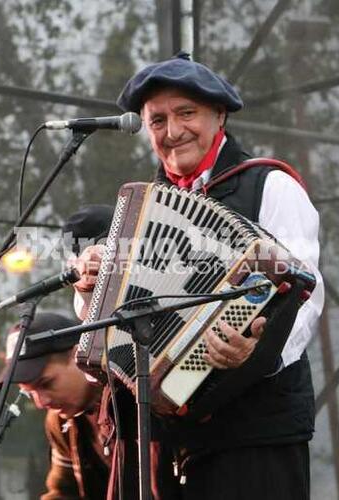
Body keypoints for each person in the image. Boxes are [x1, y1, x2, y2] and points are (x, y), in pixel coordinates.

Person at [72, 52, 324, 500]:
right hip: (162, 441)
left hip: (253, 436)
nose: (172, 132)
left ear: (219, 114)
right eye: (157, 121)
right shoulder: (140, 210)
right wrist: (91, 290)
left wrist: (255, 351)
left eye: (186, 113)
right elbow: (114, 327)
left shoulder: (270, 185)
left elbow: (305, 301)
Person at [0, 312, 109, 500]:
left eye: (46, 383)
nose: (41, 402)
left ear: (78, 356)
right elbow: (64, 493)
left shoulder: (142, 400)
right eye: (30, 392)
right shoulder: (59, 422)